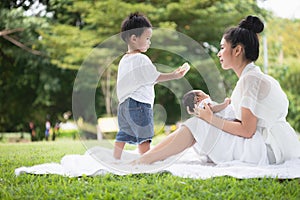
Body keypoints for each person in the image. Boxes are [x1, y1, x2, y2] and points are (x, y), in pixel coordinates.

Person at [133, 15, 300, 165]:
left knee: (198, 123)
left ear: (237, 50)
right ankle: (147, 156)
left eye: (222, 47)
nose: (219, 53)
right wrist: (213, 109)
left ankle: (145, 159)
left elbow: (247, 130)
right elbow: (239, 119)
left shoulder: (251, 80)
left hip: (264, 149)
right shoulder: (250, 77)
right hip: (265, 144)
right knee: (198, 122)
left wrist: (211, 118)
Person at [114, 12, 190, 159]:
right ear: (134, 39)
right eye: (147, 38)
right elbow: (154, 77)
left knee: (123, 133)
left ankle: (116, 158)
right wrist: (174, 75)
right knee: (144, 135)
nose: (149, 42)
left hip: (123, 105)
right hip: (139, 104)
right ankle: (145, 159)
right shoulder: (141, 59)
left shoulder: (124, 59)